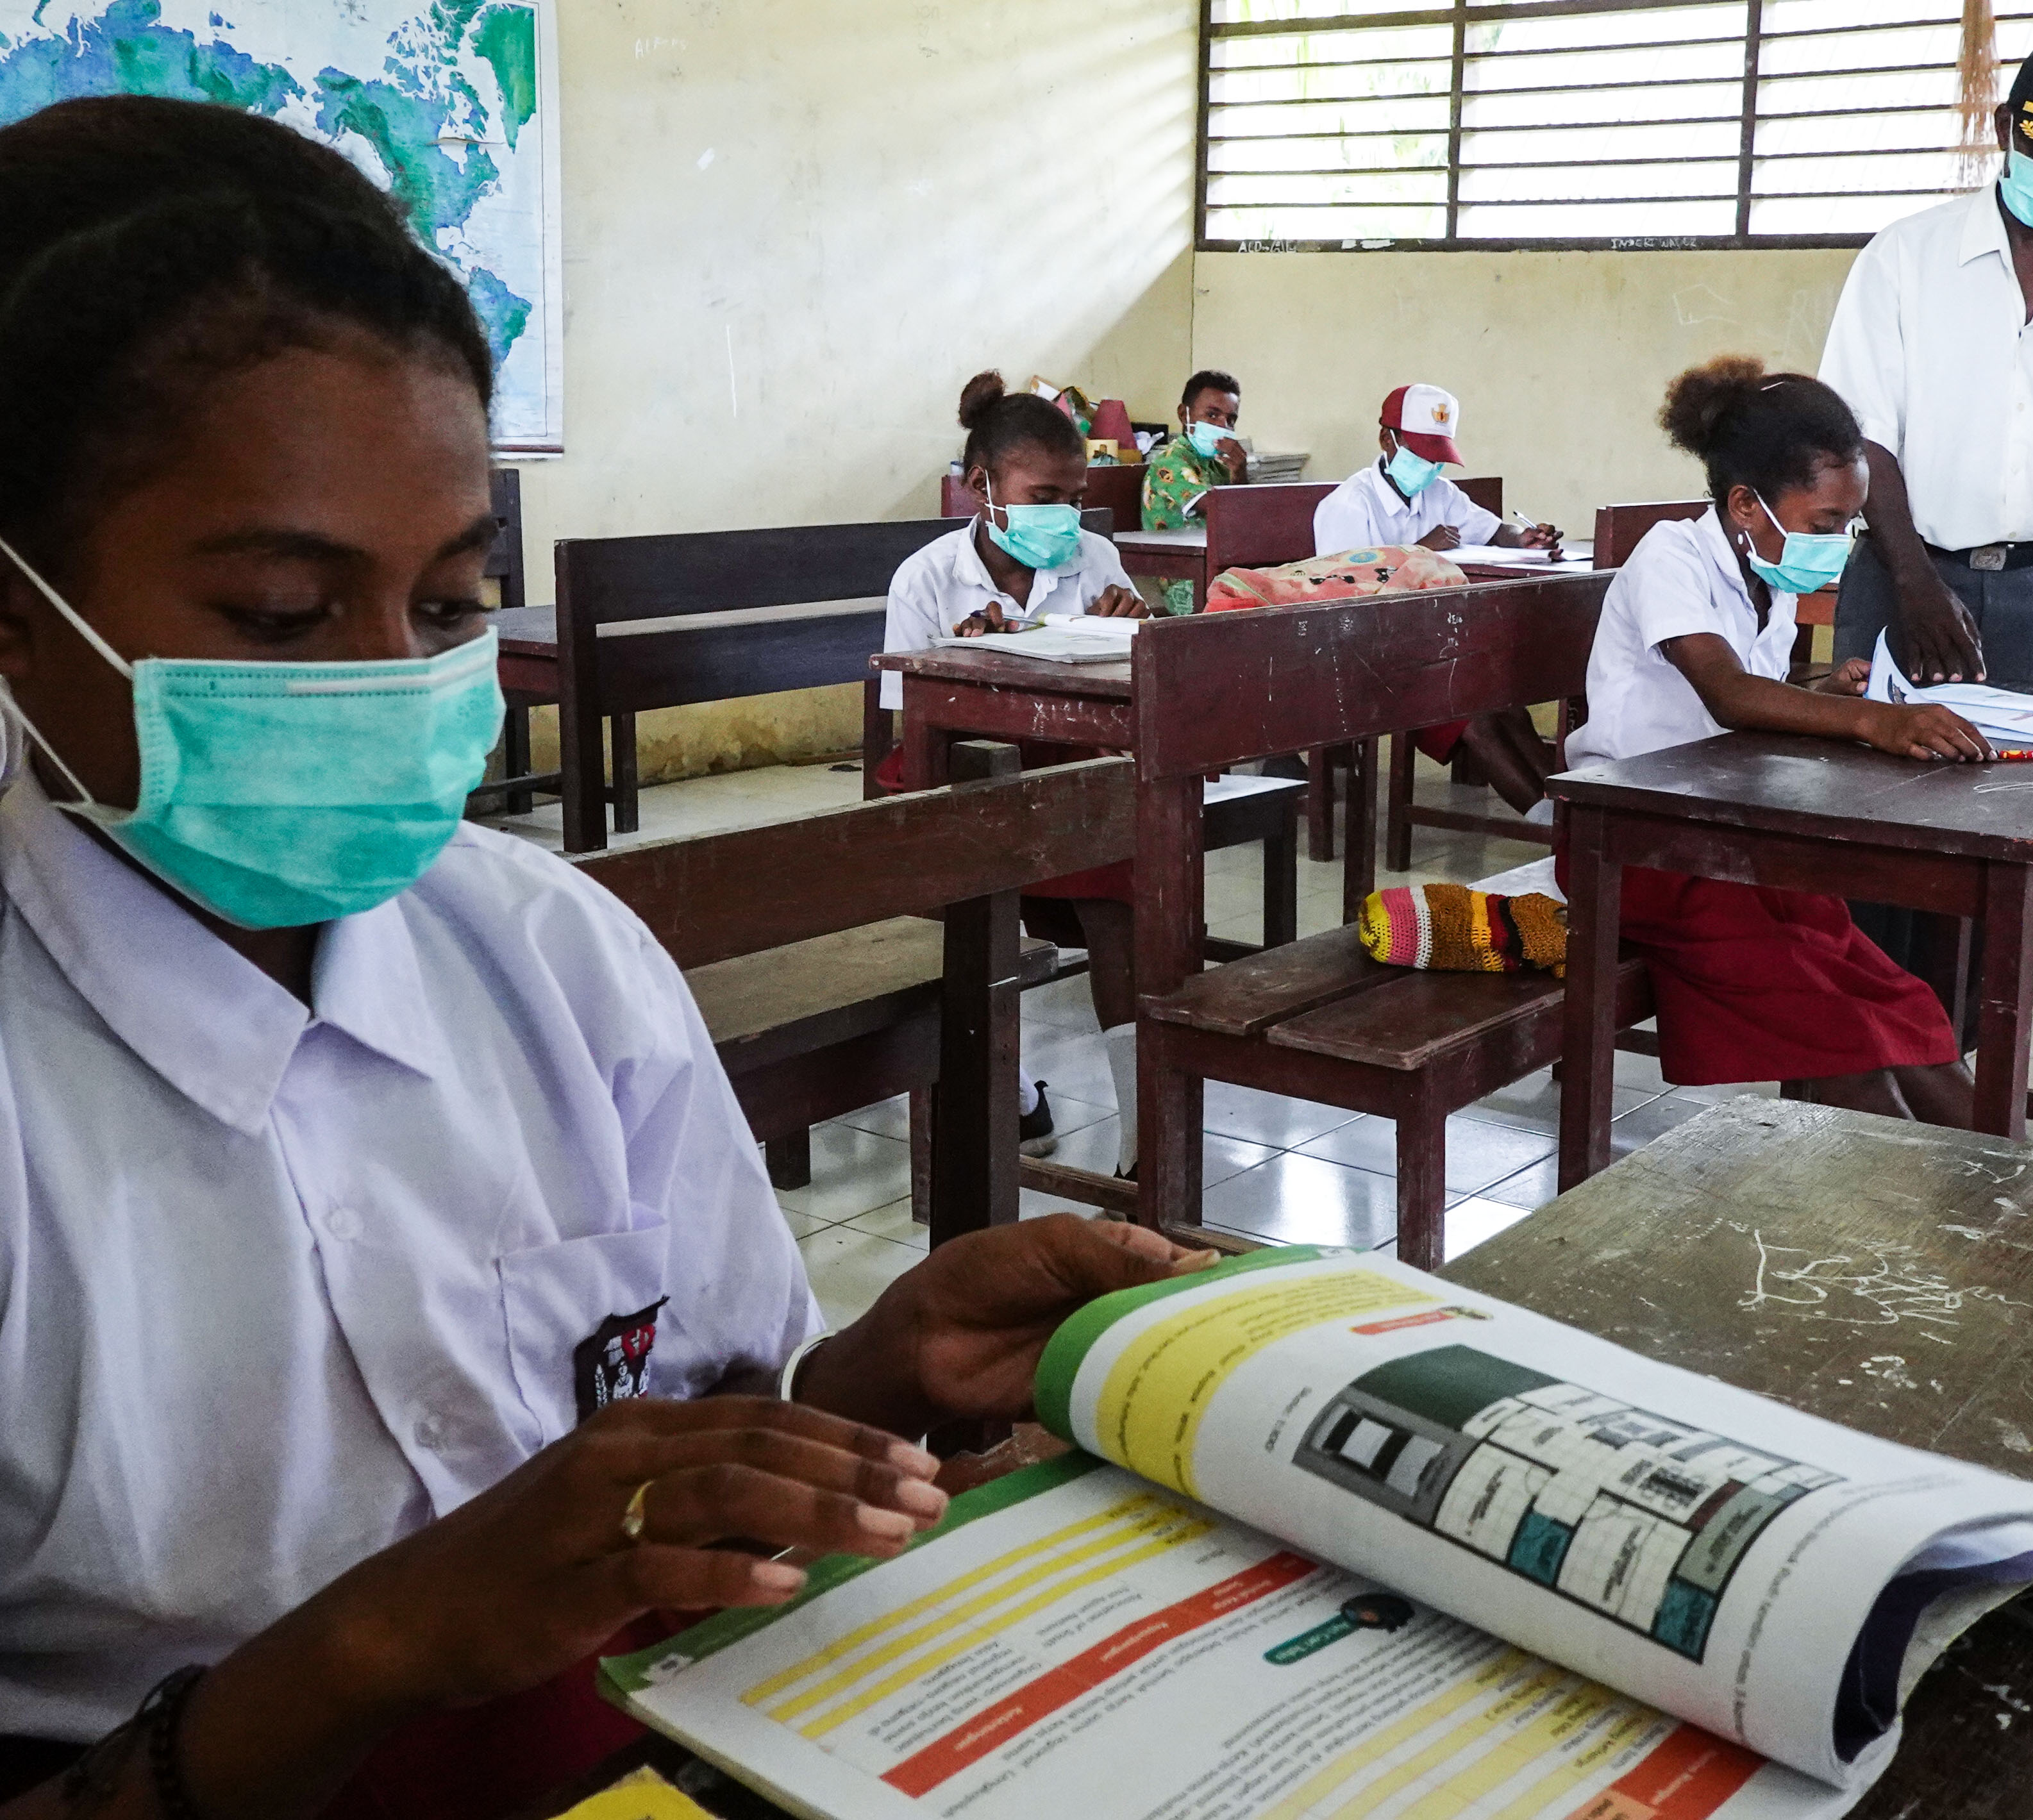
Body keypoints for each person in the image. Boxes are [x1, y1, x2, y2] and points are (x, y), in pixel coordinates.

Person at [0, 96, 1210, 1820]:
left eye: (443, 603)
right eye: (278, 614)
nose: (386, 678)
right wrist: (373, 1645)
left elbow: (708, 1412)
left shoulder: (547, 948)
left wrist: (867, 1384)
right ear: (18, 610)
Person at [1563, 357, 1994, 1121]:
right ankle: (1938, 1219)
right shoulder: (1670, 556)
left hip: (1732, 836)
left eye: (1846, 525)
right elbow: (1726, 695)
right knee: (1839, 1030)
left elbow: (1749, 698)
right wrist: (1875, 720)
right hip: (1633, 846)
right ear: (1744, 504)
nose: (1837, 540)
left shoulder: (1769, 581)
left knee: (1894, 1000)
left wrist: (1818, 693)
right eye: (1824, 522)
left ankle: (2012, 1195)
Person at [1820, 26, 2033, 694]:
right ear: (2004, 125)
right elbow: (1863, 439)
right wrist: (1916, 588)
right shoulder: (1904, 258)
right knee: (1873, 790)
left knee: (2017, 789)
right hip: (1903, 576)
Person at [878, 374, 1148, 1169]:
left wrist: (1129, 635)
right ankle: (1015, 1088)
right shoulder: (925, 578)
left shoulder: (1094, 556)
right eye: (1042, 495)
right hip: (953, 769)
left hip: (1065, 760)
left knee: (1119, 892)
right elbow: (913, 721)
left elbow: (1131, 689)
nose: (1061, 515)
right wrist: (963, 657)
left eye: (1073, 495)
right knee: (963, 889)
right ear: (980, 487)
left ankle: (1142, 1126)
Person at [1314, 384, 1562, 813]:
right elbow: (1344, 598)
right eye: (1420, 454)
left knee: (1509, 705)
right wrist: (1419, 550)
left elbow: (1488, 529)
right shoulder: (1350, 506)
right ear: (1386, 440)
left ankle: (1566, 808)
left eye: (1437, 457)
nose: (1429, 467)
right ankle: (1549, 825)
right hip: (1369, 653)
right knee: (1475, 719)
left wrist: (1522, 538)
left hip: (1432, 645)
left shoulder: (1439, 493)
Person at [1139, 369, 1246, 615]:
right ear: (1183, 414)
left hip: (1218, 568)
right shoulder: (1171, 461)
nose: (1223, 426)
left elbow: (1239, 516)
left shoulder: (1215, 463)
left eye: (1231, 419)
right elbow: (1222, 509)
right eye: (1212, 415)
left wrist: (1239, 473)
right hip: (1185, 579)